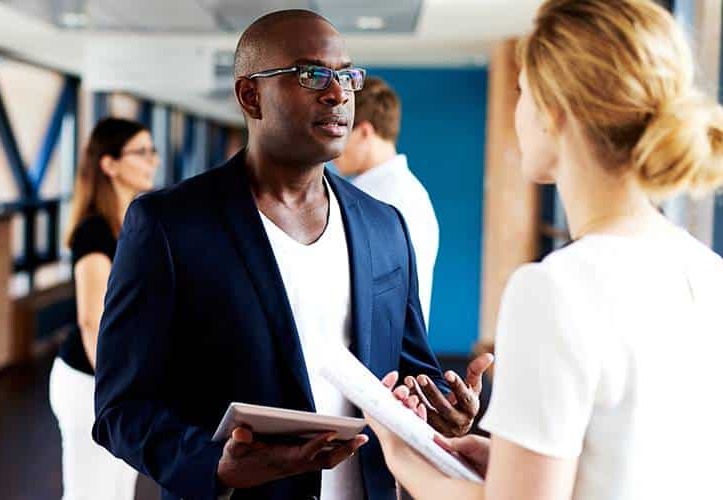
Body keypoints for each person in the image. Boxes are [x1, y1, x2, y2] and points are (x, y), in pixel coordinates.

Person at [92, 10, 492, 500]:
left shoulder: (384, 226)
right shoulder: (169, 225)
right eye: (312, 75)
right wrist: (216, 466)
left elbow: (410, 368)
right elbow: (121, 409)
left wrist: (441, 408)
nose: (338, 93)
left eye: (347, 76)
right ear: (250, 95)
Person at [365, 1, 723, 499]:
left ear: (554, 113)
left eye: (522, 92)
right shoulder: (708, 271)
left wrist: (402, 454)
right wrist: (512, 463)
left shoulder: (556, 289)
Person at [49, 118, 159, 499]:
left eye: (152, 151)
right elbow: (91, 320)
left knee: (118, 491)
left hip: (117, 381)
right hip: (90, 383)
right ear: (109, 164)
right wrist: (117, 393)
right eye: (141, 152)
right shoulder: (94, 231)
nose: (153, 160)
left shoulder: (130, 225)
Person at [333, 78, 439, 326]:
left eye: (340, 130)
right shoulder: (411, 193)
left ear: (364, 132)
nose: (334, 146)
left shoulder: (382, 201)